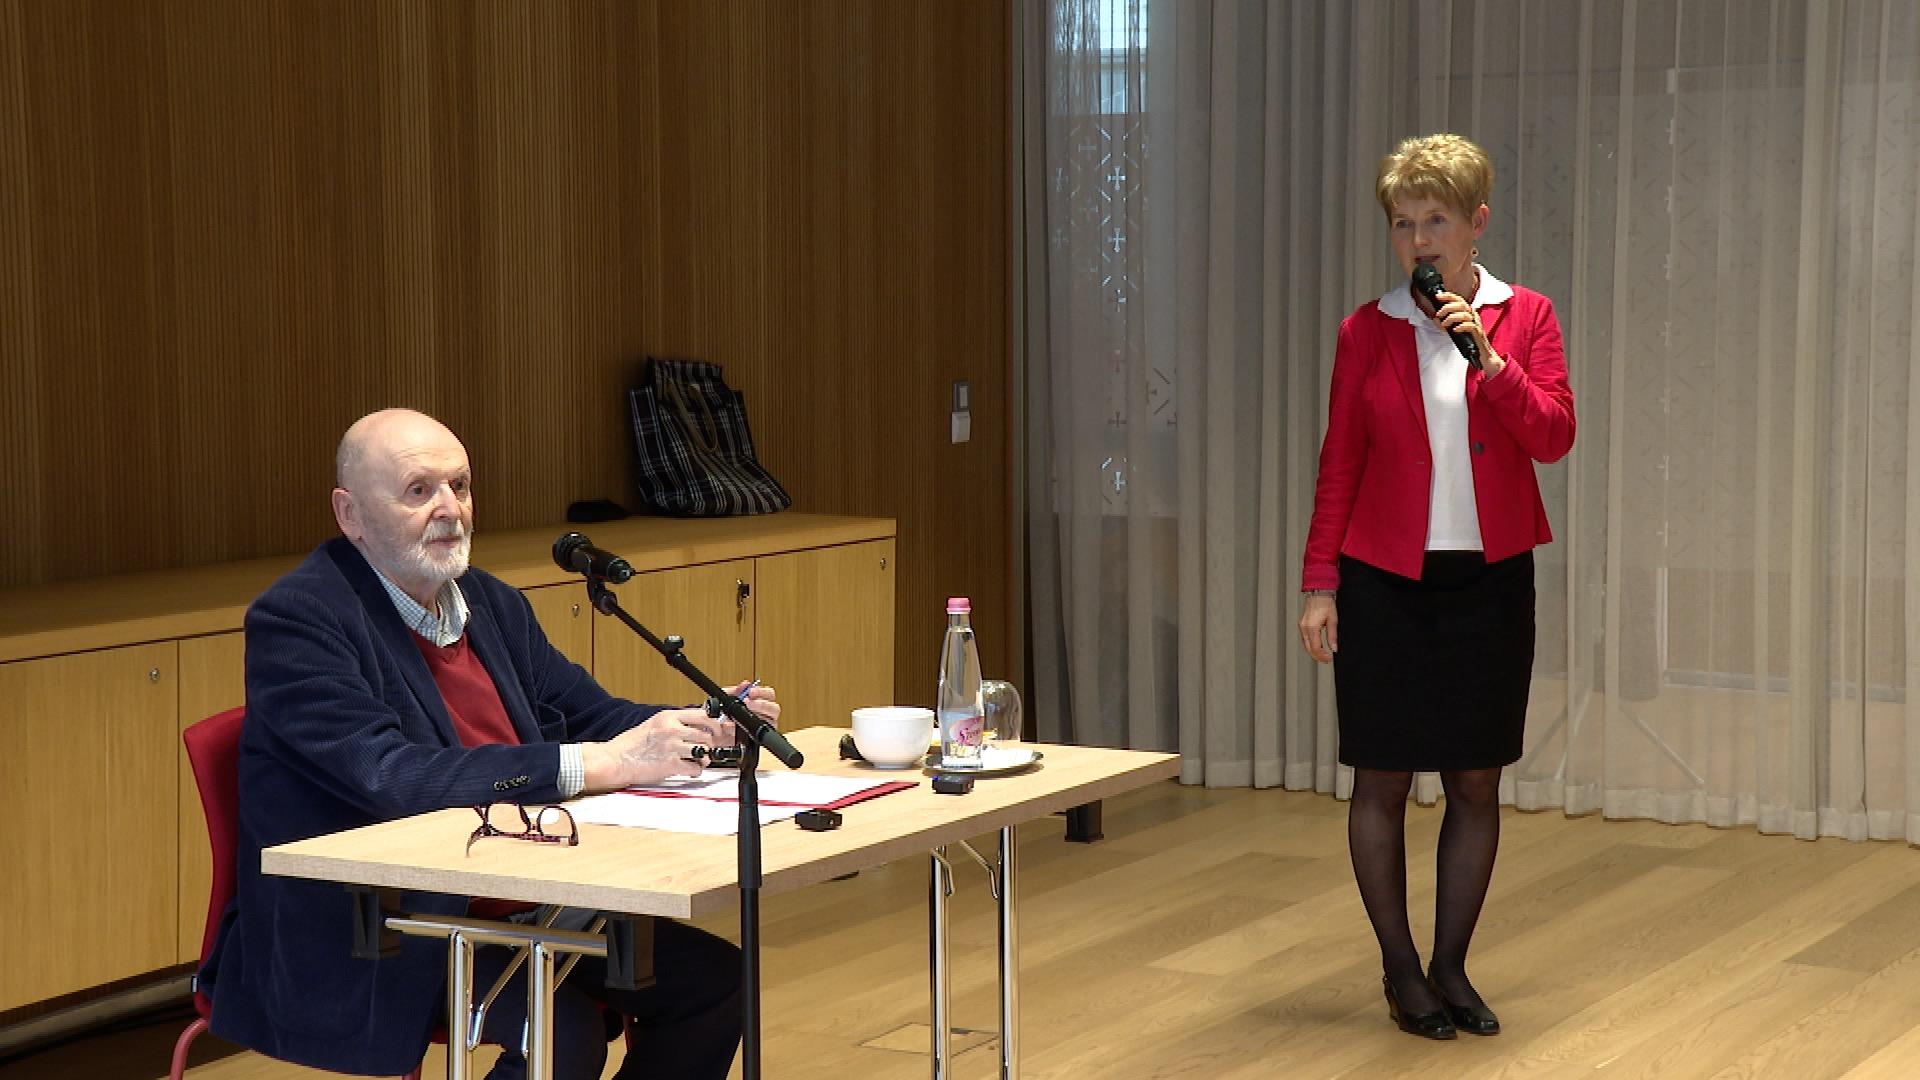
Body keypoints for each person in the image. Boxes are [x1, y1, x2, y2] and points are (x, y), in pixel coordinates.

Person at [200, 408, 774, 1079]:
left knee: (717, 983)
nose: (451, 509)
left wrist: (699, 724)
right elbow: (391, 776)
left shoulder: (490, 603)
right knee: (562, 1034)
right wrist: (600, 763)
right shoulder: (301, 619)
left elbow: (591, 715)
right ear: (350, 514)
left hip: (530, 897)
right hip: (382, 926)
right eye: (420, 491)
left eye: (461, 486)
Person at [1298, 134, 1575, 1041]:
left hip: (1488, 583)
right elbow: (1340, 463)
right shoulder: (1365, 331)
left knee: (1475, 782)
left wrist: (1488, 360)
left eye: (1436, 221)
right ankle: (1401, 971)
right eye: (1403, 223)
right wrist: (1319, 583)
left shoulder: (1524, 317)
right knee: (1380, 779)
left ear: (1475, 223)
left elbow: (1553, 437)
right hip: (1382, 582)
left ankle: (1452, 966)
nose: (1419, 241)